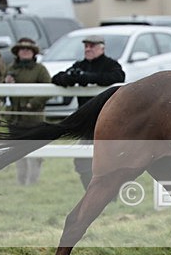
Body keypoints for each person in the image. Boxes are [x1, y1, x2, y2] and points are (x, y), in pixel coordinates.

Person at [51, 35, 125, 189]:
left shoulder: (110, 64)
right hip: (87, 123)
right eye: (86, 46)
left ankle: (109, 193)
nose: (88, 49)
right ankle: (91, 191)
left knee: (109, 159)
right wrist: (71, 78)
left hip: (107, 120)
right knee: (82, 161)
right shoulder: (80, 65)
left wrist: (88, 78)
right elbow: (57, 78)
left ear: (102, 48)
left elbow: (118, 77)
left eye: (92, 46)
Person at [5, 37, 51, 185]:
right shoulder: (10, 69)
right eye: (22, 49)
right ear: (17, 52)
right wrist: (5, 83)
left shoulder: (40, 70)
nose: (25, 52)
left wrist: (32, 104)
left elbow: (48, 90)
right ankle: (21, 182)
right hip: (15, 118)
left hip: (34, 118)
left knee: (34, 152)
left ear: (33, 52)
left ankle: (33, 182)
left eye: (28, 49)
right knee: (18, 153)